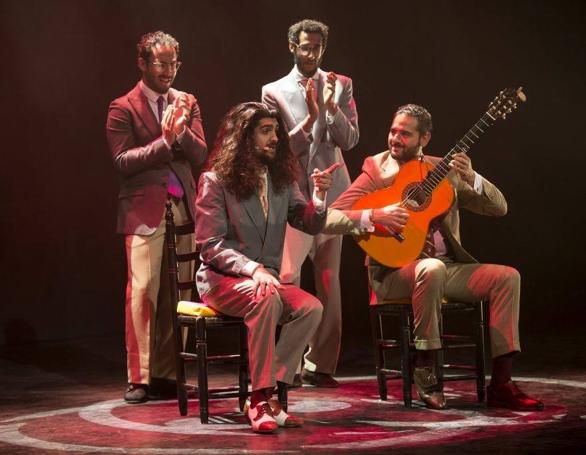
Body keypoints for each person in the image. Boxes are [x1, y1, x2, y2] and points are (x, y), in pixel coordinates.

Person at [325, 104, 543, 411]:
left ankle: (502, 384)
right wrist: (375, 215)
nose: (395, 139)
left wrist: (473, 178)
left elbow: (499, 208)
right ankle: (426, 369)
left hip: (447, 268)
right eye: (393, 130)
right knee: (431, 268)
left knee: (507, 276)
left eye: (405, 133)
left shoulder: (442, 170)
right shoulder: (376, 169)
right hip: (393, 274)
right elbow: (329, 217)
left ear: (424, 138)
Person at [194, 102, 336, 433]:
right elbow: (210, 245)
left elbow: (309, 222)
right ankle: (259, 399)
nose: (275, 138)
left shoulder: (281, 181)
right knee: (266, 298)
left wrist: (320, 197)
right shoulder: (215, 181)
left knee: (311, 308)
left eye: (276, 131)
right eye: (265, 131)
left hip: (265, 282)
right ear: (244, 138)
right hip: (222, 281)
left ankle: (272, 391)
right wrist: (253, 269)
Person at [106, 31, 207, 403]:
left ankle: (168, 372)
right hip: (143, 208)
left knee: (178, 292)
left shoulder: (187, 101)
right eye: (161, 63)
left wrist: (180, 135)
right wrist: (163, 144)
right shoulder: (123, 107)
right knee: (143, 291)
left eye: (174, 63)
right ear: (143, 63)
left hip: (183, 204)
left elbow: (199, 155)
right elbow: (122, 161)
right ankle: (141, 376)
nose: (169, 71)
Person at [261, 19, 359, 388]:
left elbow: (348, 141)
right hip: (296, 195)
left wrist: (332, 108)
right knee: (289, 277)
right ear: (292, 46)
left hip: (335, 193)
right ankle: (289, 367)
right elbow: (278, 146)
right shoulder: (273, 90)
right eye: (305, 47)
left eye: (317, 47)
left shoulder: (342, 84)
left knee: (330, 281)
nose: (311, 53)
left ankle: (322, 364)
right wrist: (313, 116)